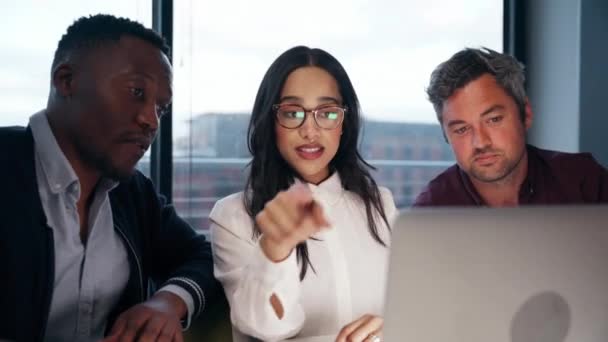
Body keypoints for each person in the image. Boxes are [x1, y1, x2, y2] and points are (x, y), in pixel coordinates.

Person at [0, 14, 219, 341]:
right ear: (66, 80)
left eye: (161, 108)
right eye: (136, 92)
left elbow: (201, 256)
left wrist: (168, 302)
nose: (151, 121)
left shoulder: (132, 193)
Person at [209, 46, 397, 342]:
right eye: (292, 112)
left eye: (328, 112)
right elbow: (268, 328)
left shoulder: (379, 204)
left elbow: (407, 306)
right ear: (270, 121)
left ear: (344, 122)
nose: (310, 130)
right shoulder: (233, 216)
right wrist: (275, 250)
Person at [414, 47, 608, 207]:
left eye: (494, 119)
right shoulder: (431, 208)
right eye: (462, 129)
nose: (481, 142)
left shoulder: (583, 180)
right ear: (446, 135)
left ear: (526, 115)